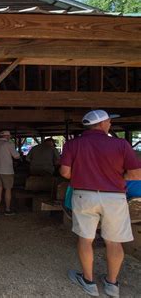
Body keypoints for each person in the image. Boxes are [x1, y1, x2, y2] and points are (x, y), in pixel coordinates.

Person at [60, 110, 141, 297]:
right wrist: (116, 178)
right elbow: (136, 174)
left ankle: (88, 281)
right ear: (103, 124)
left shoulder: (73, 144)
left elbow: (65, 172)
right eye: (109, 121)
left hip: (84, 196)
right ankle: (112, 284)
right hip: (114, 197)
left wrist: (82, 177)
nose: (110, 124)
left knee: (85, 239)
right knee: (114, 242)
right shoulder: (121, 144)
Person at [0, 130, 20, 215]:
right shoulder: (9, 144)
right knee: (8, 190)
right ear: (7, 136)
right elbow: (16, 156)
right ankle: (7, 209)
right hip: (7, 170)